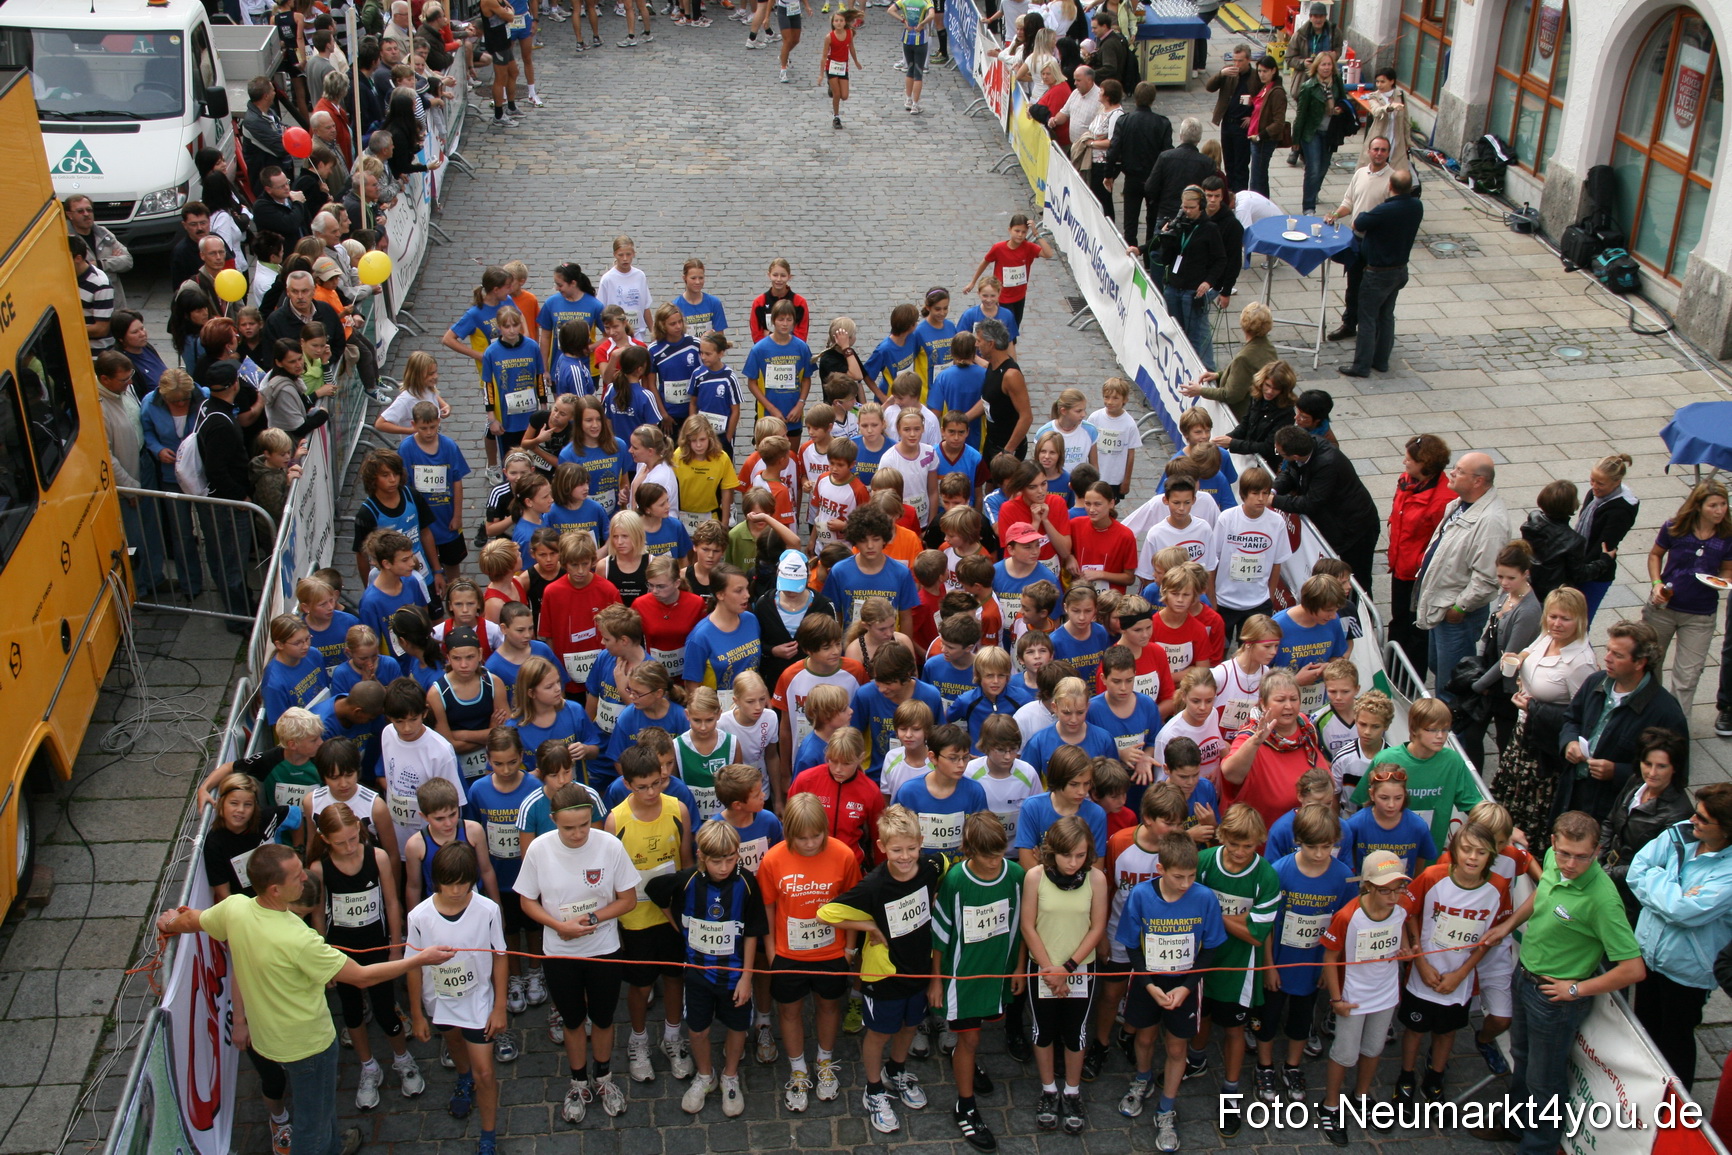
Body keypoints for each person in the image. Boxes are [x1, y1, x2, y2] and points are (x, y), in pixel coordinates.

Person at [156, 845, 457, 1155]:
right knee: (311, 1126)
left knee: (321, 1108)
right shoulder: (299, 939)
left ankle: (333, 1146)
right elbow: (362, 977)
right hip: (309, 1044)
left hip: (270, 1039)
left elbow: (194, 920)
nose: (306, 877)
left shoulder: (236, 908)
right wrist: (420, 960)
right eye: (297, 875)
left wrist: (169, 924)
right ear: (275, 889)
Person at [1475, 811, 1646, 1155]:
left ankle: (1538, 1147)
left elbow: (1633, 969)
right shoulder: (1554, 859)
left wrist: (1575, 989)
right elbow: (1541, 895)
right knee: (1521, 1056)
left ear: (1596, 852)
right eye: (1565, 853)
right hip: (1525, 974)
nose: (1570, 863)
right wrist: (1507, 927)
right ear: (1553, 843)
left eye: (1581, 856)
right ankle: (1515, 1124)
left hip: (1554, 1000)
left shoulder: (1603, 899)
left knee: (1545, 1080)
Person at [1626, 782, 1732, 1091]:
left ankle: (1675, 1106)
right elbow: (1637, 870)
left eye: (1702, 819)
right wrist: (1674, 887)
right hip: (1650, 954)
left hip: (1687, 971)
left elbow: (1684, 911)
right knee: (1646, 1030)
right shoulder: (1683, 831)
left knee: (1676, 1041)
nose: (1692, 820)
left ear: (1724, 830)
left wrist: (1659, 880)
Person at [1558, 619, 1688, 824]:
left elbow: (1677, 776)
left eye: (1617, 655)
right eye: (1608, 650)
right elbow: (1571, 718)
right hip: (1572, 791)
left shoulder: (1666, 712)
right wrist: (1570, 741)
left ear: (1640, 662)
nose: (1607, 658)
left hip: (1611, 808)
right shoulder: (1595, 682)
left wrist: (1617, 772)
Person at [1412, 451, 1510, 698]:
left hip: (1455, 615)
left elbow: (1488, 579)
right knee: (1439, 667)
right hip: (1441, 607)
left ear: (1478, 481)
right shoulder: (1459, 505)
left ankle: (1454, 732)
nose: (1452, 473)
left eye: (1459, 470)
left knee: (1451, 685)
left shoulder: (1491, 523)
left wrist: (1459, 609)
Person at [1643, 481, 1732, 712]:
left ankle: (1676, 727)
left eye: (1723, 504)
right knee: (1650, 666)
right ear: (1698, 506)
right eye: (1713, 505)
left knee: (1688, 677)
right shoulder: (1675, 527)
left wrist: (1724, 581)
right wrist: (1656, 584)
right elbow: (1655, 555)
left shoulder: (1727, 535)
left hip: (1700, 615)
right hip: (1664, 607)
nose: (1720, 510)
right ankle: (1650, 717)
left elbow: (1727, 569)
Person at [1269, 426, 1380, 594]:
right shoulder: (1304, 450)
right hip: (1335, 523)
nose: (1280, 456)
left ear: (1296, 456)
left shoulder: (1327, 463)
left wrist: (1274, 500)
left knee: (1358, 581)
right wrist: (1273, 490)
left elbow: (1310, 503)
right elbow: (1290, 473)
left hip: (1355, 529)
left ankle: (1363, 617)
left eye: (1281, 454)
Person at [1600, 727, 1693, 921]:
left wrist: (1606, 873)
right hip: (1607, 870)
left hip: (1633, 893)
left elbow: (1658, 865)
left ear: (1675, 767)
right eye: (1647, 763)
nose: (1652, 773)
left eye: (1661, 766)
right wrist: (1598, 856)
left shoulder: (1678, 812)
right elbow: (1610, 821)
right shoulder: (1636, 782)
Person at [1339, 169, 1423, 379]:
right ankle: (1381, 361)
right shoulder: (1416, 206)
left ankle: (1361, 366)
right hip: (1399, 270)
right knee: (1386, 316)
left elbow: (1359, 222)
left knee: (1367, 319)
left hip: (1378, 273)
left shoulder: (1385, 210)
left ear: (1389, 187)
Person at [1386, 434, 1454, 673]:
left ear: (1424, 463)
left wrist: (1418, 562)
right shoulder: (1407, 481)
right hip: (1401, 567)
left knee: (1416, 630)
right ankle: (1393, 669)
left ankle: (1410, 677)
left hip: (1418, 575)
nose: (1404, 463)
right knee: (1398, 621)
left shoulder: (1445, 499)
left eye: (1408, 459)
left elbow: (1441, 542)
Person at [1322, 136, 1394, 344]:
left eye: (1383, 150)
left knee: (1372, 289)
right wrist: (1335, 215)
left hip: (1376, 243)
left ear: (1388, 153)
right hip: (1356, 240)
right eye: (1376, 149)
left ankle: (1371, 328)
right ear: (1369, 151)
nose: (1379, 153)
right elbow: (1349, 203)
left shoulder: (1392, 179)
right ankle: (1349, 324)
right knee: (1353, 286)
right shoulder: (1361, 173)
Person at [1153, 187, 1223, 373]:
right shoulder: (1179, 225)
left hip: (1193, 290)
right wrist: (1166, 236)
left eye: (1191, 207)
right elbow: (1164, 257)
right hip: (1174, 286)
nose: (1187, 211)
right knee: (1174, 332)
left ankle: (1196, 371)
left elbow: (1220, 260)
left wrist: (1208, 282)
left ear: (1200, 206)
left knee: (1195, 337)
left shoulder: (1209, 229)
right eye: (1184, 207)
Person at [1576, 452, 1640, 624]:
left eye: (1600, 483)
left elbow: (1604, 546)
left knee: (1580, 624)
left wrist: (1577, 570)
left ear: (1617, 482)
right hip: (1580, 564)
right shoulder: (1594, 495)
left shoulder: (1621, 511)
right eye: (1592, 480)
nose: (1594, 486)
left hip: (1596, 573)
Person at [1107, 82, 1171, 249]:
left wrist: (1109, 174)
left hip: (1132, 178)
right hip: (1154, 179)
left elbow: (1113, 150)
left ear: (1135, 98)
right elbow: (1166, 153)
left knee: (1130, 222)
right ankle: (1149, 258)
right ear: (1153, 99)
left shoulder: (1124, 121)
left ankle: (1130, 256)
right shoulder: (1162, 123)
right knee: (1152, 221)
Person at [1141, 118, 1216, 253]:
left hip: (1166, 216)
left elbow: (1150, 187)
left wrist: (1160, 202)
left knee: (1159, 255)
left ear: (1180, 136)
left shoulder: (1165, 157)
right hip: (1193, 220)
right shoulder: (1207, 163)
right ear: (1198, 139)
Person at [970, 320, 1031, 463]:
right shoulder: (992, 365)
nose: (976, 344)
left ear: (990, 344)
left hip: (1006, 450)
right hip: (991, 442)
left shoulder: (1011, 375)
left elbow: (1026, 417)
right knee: (989, 484)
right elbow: (988, 400)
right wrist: (963, 419)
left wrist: (1007, 452)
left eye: (979, 341)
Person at [65, 194, 134, 312]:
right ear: (69, 215)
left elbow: (128, 261)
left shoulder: (103, 233)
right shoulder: (67, 239)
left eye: (89, 210)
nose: (86, 214)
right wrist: (114, 262)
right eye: (80, 211)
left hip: (116, 306)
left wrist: (99, 264)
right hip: (90, 309)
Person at [1206, 44, 1257, 191]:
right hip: (1228, 123)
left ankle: (1240, 194)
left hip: (1243, 126)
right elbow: (1209, 87)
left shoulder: (1254, 77)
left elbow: (1261, 100)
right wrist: (1221, 74)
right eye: (1234, 60)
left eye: (1240, 61)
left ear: (1248, 60)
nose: (1236, 64)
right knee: (1228, 163)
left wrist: (1252, 117)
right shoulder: (1228, 73)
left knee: (1241, 165)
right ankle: (1230, 194)